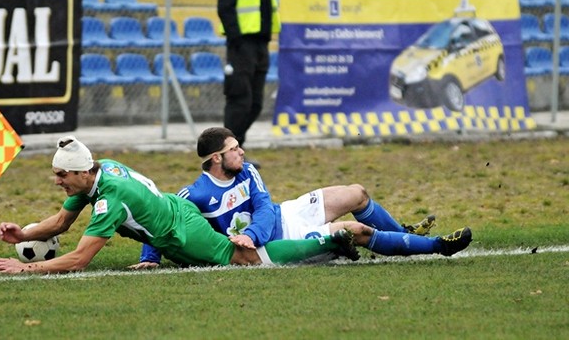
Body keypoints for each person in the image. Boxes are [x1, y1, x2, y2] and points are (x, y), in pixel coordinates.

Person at [0, 136, 360, 274]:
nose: (57, 181)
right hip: (174, 214)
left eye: (61, 176)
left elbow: (80, 259)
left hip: (182, 233)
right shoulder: (101, 171)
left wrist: (27, 270)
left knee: (244, 260)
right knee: (240, 257)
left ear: (83, 172)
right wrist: (27, 232)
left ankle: (329, 242)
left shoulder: (109, 200)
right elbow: (61, 222)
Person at [134, 127, 473, 268]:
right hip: (281, 241)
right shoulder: (195, 194)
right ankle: (437, 246)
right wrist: (150, 256)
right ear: (216, 159)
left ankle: (404, 234)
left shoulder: (248, 171)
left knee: (357, 193)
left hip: (285, 216)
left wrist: (250, 234)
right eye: (234, 149)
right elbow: (163, 220)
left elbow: (265, 208)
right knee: (355, 230)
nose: (242, 151)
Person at [217, 0, 279, 166]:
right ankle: (224, 153)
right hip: (241, 45)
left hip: (261, 45)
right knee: (239, 99)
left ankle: (236, 149)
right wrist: (236, 39)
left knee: (255, 103)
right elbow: (225, 8)